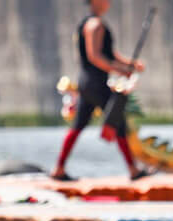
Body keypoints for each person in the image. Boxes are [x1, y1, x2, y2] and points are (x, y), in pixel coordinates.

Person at [51, 0, 149, 182]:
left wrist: (131, 65)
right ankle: (133, 170)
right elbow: (95, 57)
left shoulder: (91, 23)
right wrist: (120, 70)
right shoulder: (95, 25)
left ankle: (59, 168)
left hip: (87, 83)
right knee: (117, 121)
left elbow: (110, 54)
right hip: (95, 84)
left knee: (78, 126)